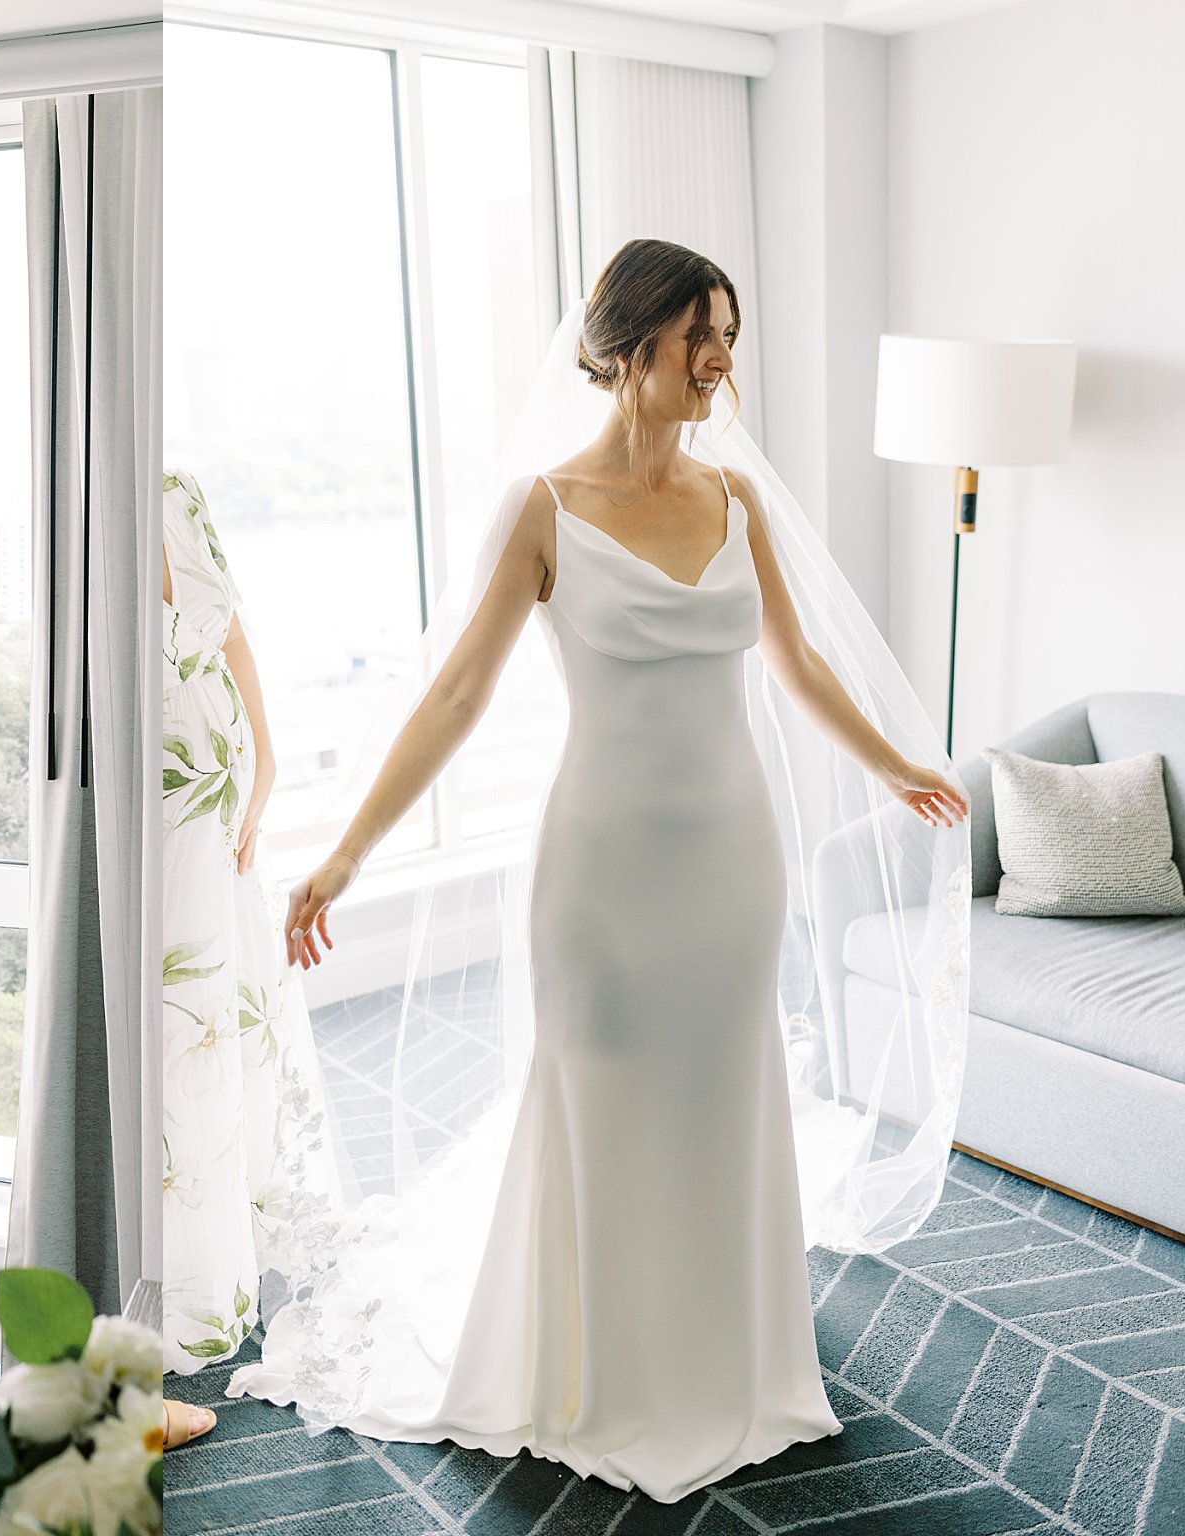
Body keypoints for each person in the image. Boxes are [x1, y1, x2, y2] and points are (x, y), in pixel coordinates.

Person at [230, 240, 971, 1503]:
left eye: (729, 336)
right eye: (700, 335)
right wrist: (343, 852)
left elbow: (792, 668)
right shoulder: (543, 508)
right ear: (630, 345)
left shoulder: (733, 502)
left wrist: (891, 761)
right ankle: (600, 1370)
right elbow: (455, 693)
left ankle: (725, 1357)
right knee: (607, 1090)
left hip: (731, 860)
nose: (721, 361)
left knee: (717, 1091)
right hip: (602, 866)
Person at [158, 470, 341, 1448]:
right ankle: (171, 1275)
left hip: (211, 819)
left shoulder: (174, 494)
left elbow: (231, 635)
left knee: (216, 1027)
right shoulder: (80, 513)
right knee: (170, 1044)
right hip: (152, 828)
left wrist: (261, 778)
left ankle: (219, 1251)